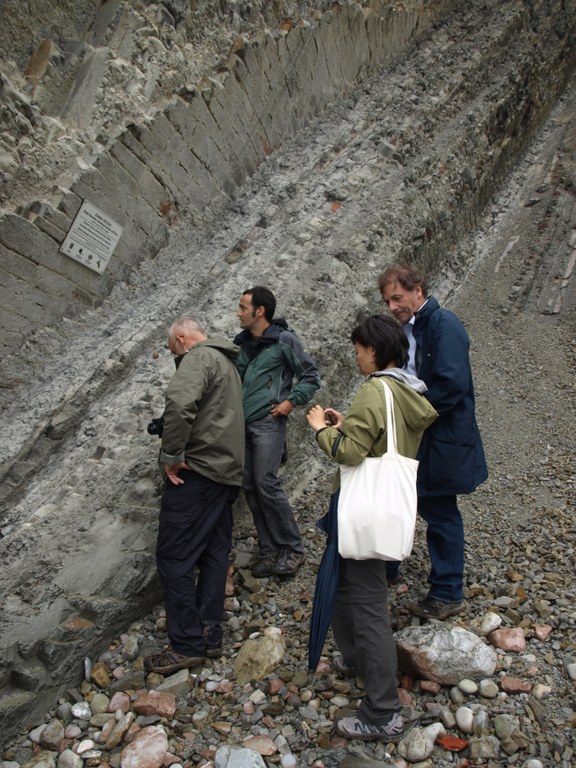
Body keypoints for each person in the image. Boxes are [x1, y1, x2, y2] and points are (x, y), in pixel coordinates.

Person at [307, 314, 438, 741]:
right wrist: (348, 424)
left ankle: (383, 712)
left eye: (359, 349)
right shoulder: (403, 391)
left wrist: (322, 432)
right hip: (386, 512)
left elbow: (349, 454)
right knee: (350, 591)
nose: (357, 356)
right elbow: (378, 443)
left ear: (375, 351)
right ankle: (358, 659)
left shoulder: (374, 388)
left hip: (364, 517)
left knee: (367, 607)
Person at [378, 264, 488, 620]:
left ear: (418, 290)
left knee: (440, 512)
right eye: (387, 301)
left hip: (440, 439)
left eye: (397, 297)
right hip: (424, 437)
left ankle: (447, 591)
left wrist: (409, 416)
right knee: (404, 501)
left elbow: (451, 385)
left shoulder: (444, 325)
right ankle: (388, 570)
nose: (393, 306)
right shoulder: (413, 329)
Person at [144, 317, 245, 674]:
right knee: (215, 553)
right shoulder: (229, 364)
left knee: (174, 557)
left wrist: (171, 457)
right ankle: (209, 632)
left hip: (198, 472)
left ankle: (185, 644)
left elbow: (179, 403)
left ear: (183, 338)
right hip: (227, 474)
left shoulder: (199, 358)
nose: (177, 355)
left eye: (175, 349)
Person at [235, 286, 321, 577]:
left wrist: (290, 402)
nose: (238, 313)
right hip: (243, 425)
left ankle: (293, 550)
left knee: (266, 483)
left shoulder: (284, 341)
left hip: (269, 422)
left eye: (243, 307)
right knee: (250, 485)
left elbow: (311, 377)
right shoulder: (244, 344)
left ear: (260, 311)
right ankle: (270, 551)